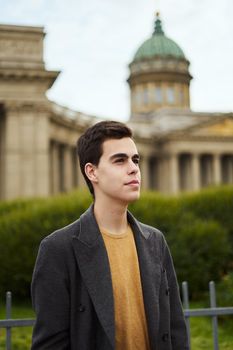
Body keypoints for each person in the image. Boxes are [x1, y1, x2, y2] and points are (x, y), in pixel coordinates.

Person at [31, 120, 189, 350]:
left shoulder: (155, 241)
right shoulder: (58, 248)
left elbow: (176, 330)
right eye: (120, 160)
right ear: (92, 171)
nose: (134, 168)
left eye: (135, 160)